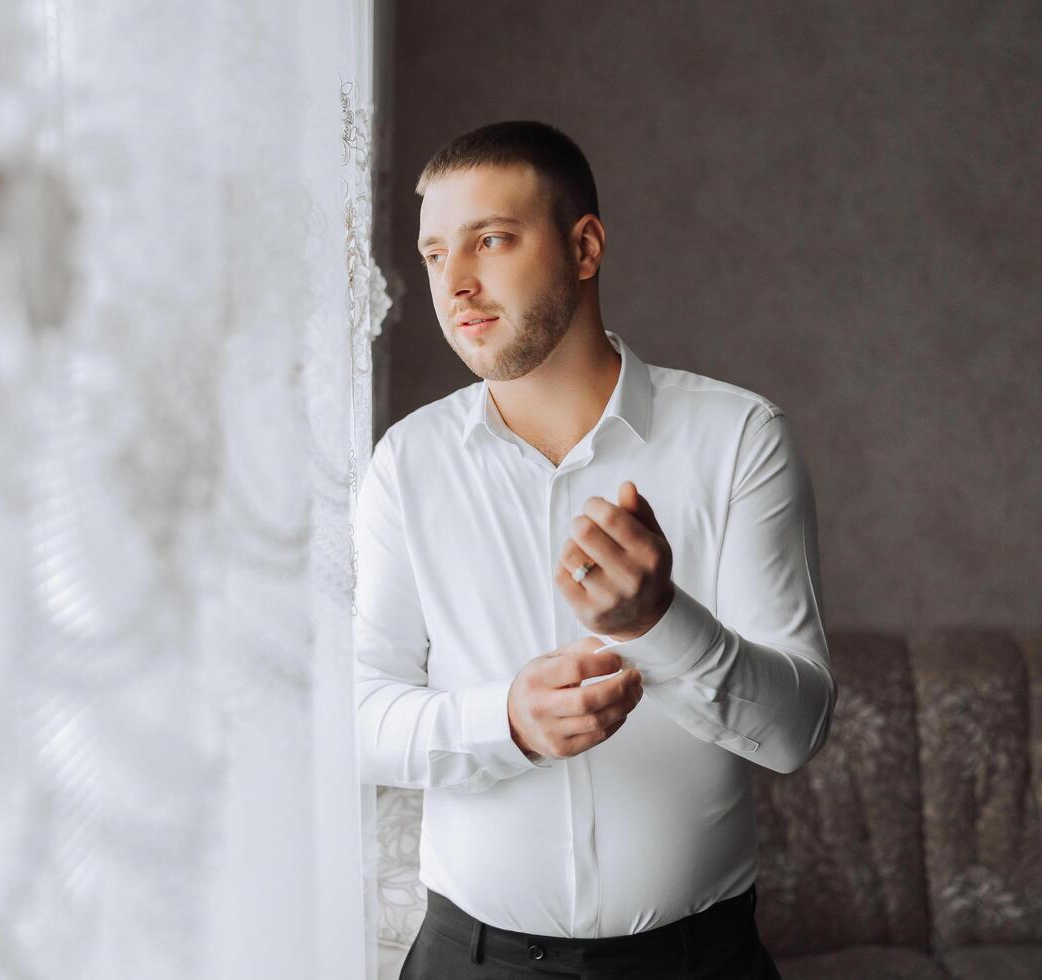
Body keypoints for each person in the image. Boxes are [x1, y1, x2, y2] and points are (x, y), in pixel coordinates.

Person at [354, 120, 836, 979]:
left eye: (491, 240)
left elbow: (797, 732)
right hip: (467, 963)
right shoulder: (405, 465)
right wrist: (506, 721)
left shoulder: (738, 440)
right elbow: (351, 719)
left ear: (584, 247)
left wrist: (660, 623)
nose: (455, 284)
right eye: (433, 255)